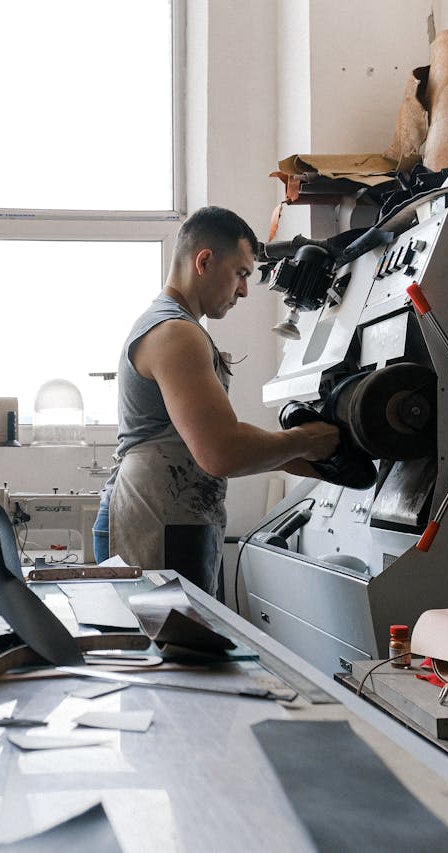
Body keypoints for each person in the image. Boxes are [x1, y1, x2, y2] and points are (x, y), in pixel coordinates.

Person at [95, 206, 340, 598]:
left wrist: (329, 466)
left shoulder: (178, 328)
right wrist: (308, 440)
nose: (244, 289)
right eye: (241, 273)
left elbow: (225, 442)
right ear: (205, 261)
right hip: (154, 518)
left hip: (172, 512)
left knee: (185, 649)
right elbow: (222, 451)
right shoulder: (175, 333)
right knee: (174, 655)